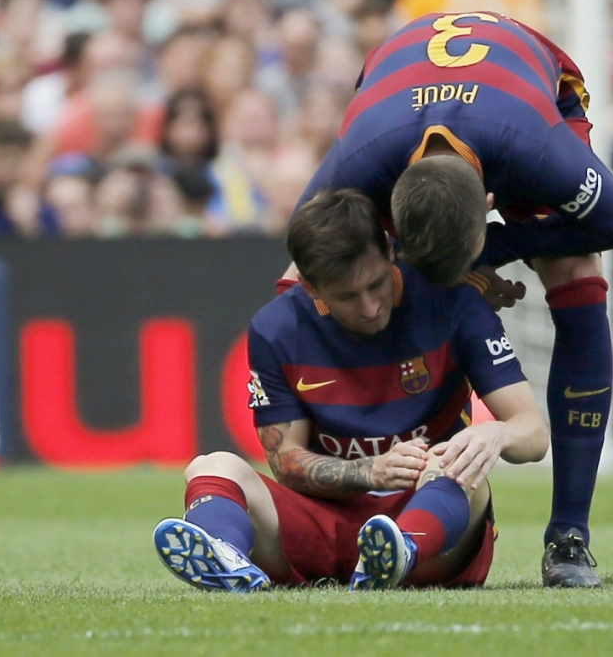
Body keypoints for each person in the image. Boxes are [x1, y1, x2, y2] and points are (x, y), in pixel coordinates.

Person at [287, 12, 613, 588]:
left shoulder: (537, 151)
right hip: (394, 89)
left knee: (576, 268)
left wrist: (497, 249)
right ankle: (341, 503)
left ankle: (569, 536)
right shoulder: (363, 157)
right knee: (317, 273)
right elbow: (298, 252)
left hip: (528, 91)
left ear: (490, 202)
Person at [152, 189, 548, 591]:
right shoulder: (276, 331)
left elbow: (533, 433)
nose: (370, 306)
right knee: (211, 466)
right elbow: (286, 463)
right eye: (347, 296)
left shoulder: (454, 304)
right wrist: (369, 471)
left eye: (377, 284)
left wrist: (495, 434)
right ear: (310, 288)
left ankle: (401, 550)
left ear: (390, 252)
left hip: (433, 526)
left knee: (460, 467)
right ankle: (227, 559)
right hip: (325, 526)